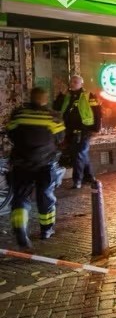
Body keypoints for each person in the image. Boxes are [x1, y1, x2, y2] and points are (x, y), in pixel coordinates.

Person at [7, 87, 66, 247]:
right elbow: (60, 138)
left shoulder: (19, 114)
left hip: (21, 163)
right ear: (45, 99)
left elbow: (11, 133)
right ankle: (46, 230)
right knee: (45, 196)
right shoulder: (52, 117)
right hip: (45, 164)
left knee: (20, 197)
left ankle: (20, 229)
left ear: (31, 97)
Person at [53, 75, 101, 189]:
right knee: (82, 153)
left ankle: (77, 181)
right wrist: (62, 94)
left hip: (84, 130)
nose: (72, 83)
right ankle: (89, 177)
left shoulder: (88, 95)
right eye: (71, 81)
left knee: (78, 154)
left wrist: (96, 129)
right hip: (69, 130)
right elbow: (56, 107)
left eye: (75, 82)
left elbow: (97, 112)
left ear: (81, 84)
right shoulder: (67, 96)